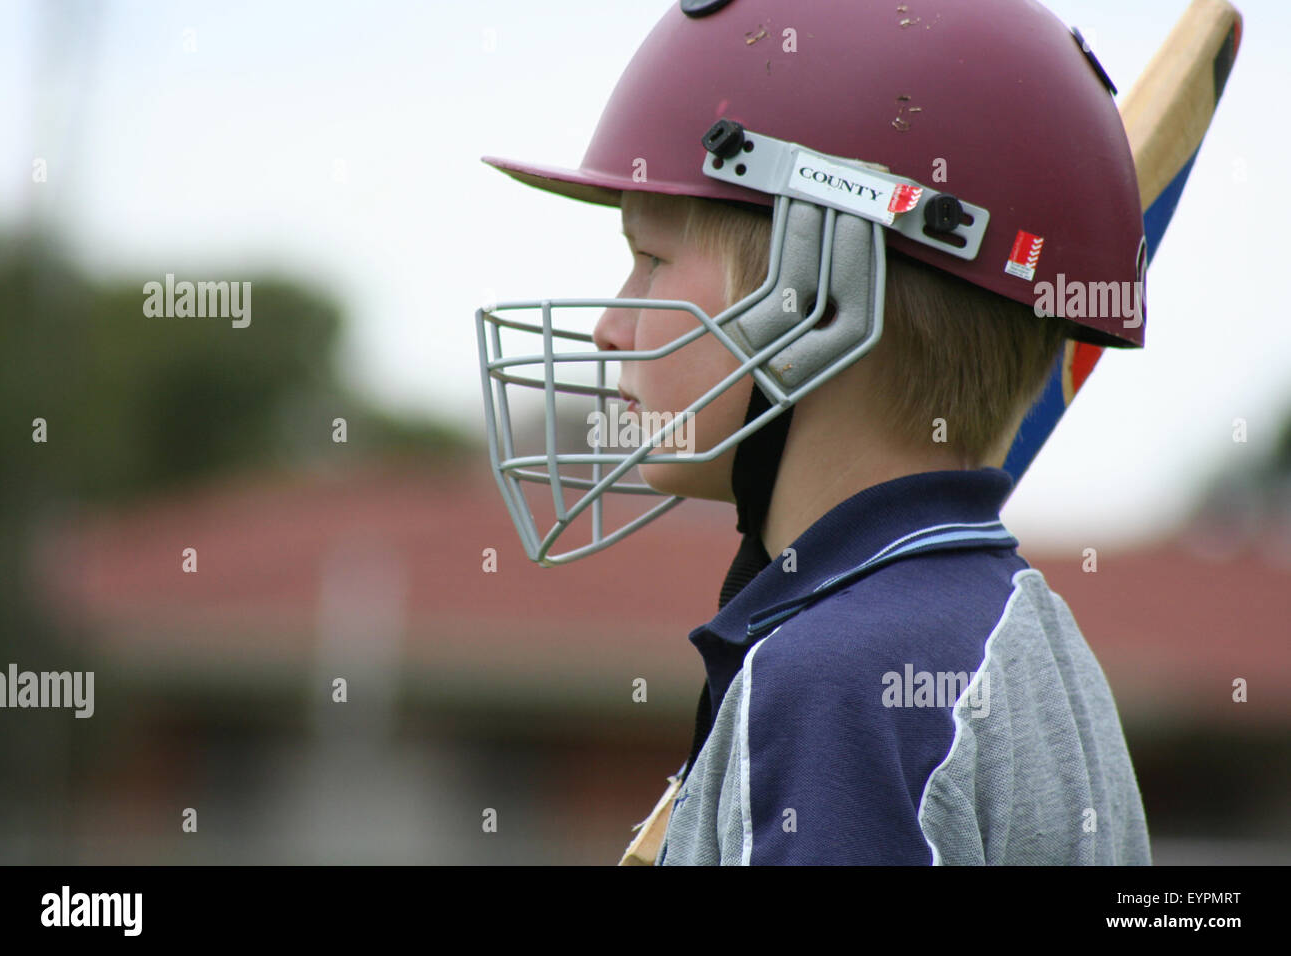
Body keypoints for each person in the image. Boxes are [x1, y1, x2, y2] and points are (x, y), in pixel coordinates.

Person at [475, 0, 1151, 864]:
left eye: (649, 259)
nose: (612, 325)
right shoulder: (1041, 643)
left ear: (819, 291)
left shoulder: (832, 682)